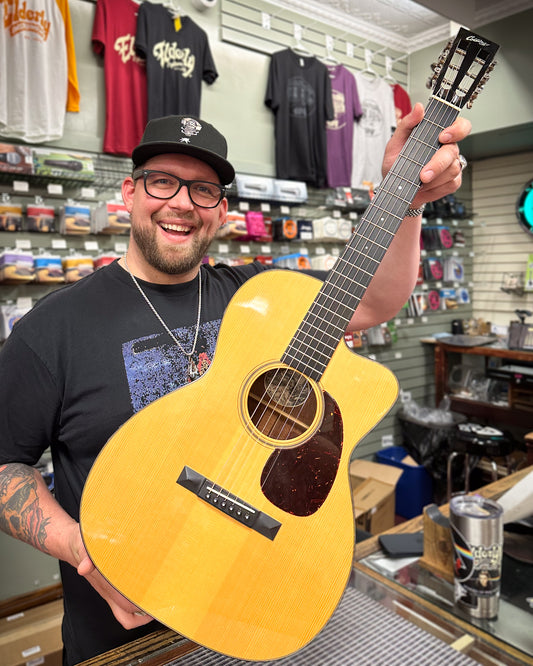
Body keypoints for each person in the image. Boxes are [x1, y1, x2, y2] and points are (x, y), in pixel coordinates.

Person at [0, 107, 471, 665]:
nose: (182, 203)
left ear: (221, 211)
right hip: (126, 636)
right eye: (162, 181)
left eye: (203, 190)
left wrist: (407, 198)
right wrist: (81, 547)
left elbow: (373, 299)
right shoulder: (53, 328)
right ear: (128, 193)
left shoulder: (263, 298)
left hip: (261, 617)